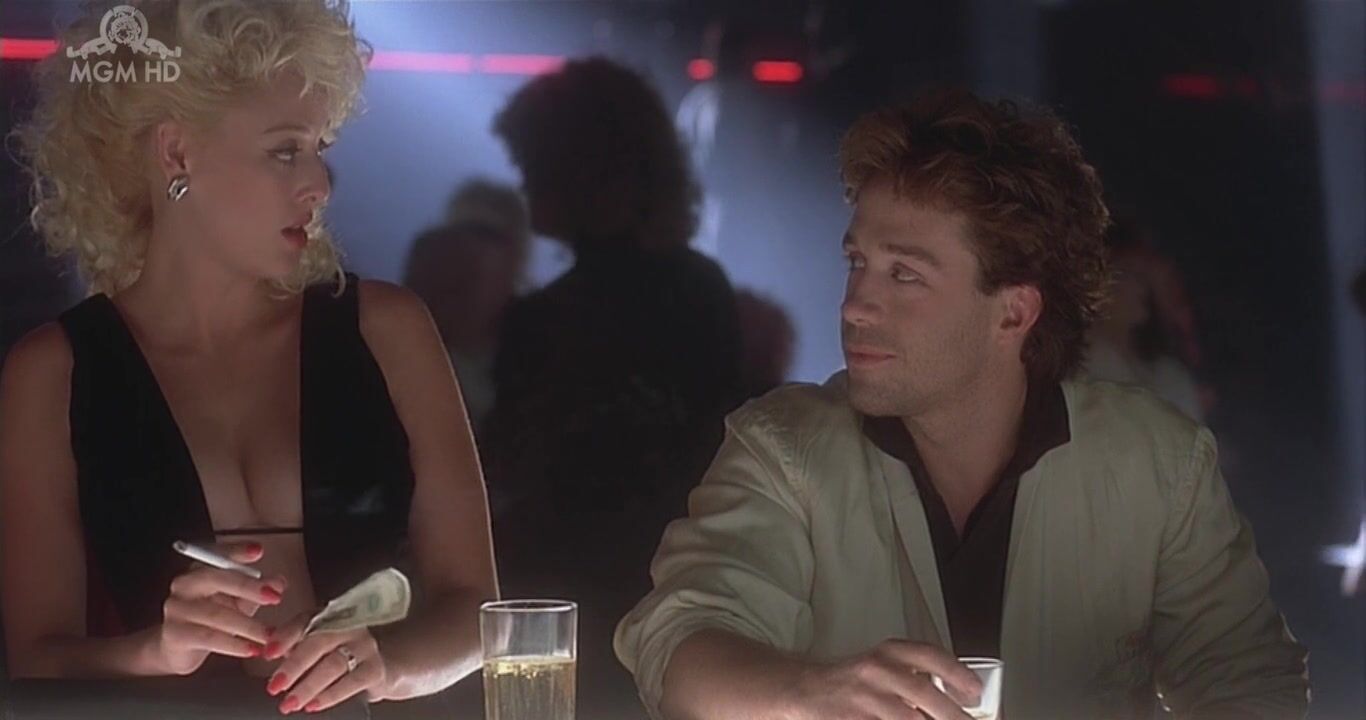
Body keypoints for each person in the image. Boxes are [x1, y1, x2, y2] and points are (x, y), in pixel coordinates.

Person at [615, 89, 1309, 720]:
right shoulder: (782, 448)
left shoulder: (1157, 462)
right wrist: (805, 692)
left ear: (1014, 312)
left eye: (905, 273)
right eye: (857, 262)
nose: (855, 306)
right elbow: (680, 641)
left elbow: (1250, 681)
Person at [0, 1, 498, 715]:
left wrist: (388, 667)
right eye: (285, 150)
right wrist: (155, 652)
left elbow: (480, 614)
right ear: (176, 153)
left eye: (320, 148)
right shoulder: (52, 373)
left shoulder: (387, 330)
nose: (320, 183)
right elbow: (34, 663)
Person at [485, 57, 743, 717]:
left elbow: (511, 471)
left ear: (576, 167)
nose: (524, 186)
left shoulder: (546, 320)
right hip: (672, 599)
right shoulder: (700, 294)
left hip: (580, 600)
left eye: (532, 166)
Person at [402, 180, 530, 436]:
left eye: (488, 235)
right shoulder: (404, 349)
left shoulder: (542, 347)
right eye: (462, 232)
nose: (471, 250)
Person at [1085, 215, 1207, 421]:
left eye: (1143, 277)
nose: (1142, 288)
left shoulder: (1170, 376)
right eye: (1130, 274)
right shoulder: (1079, 369)